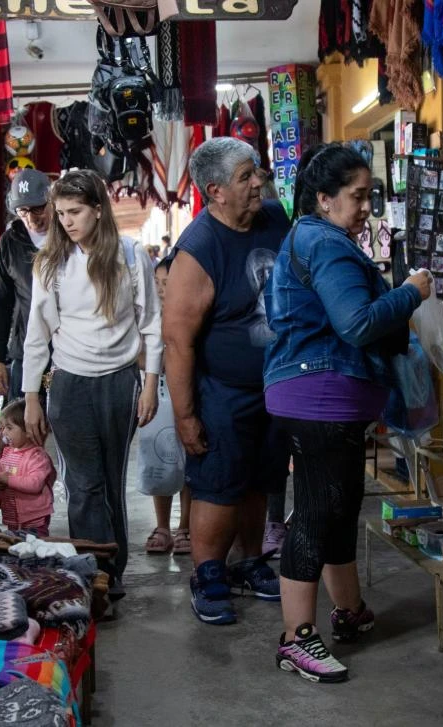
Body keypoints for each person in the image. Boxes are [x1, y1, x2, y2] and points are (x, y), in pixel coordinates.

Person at [264, 143, 430, 683]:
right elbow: (357, 324)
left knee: (338, 508)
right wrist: (410, 294)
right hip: (320, 397)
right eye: (357, 197)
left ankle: (349, 610)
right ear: (324, 198)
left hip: (325, 396)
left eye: (368, 197)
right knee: (317, 513)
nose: (365, 208)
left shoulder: (317, 239)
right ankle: (296, 638)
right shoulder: (324, 243)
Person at [162, 136, 291, 625]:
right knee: (218, 485)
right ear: (215, 191)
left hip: (274, 385)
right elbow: (178, 341)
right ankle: (208, 573)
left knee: (260, 479)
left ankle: (249, 562)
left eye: (256, 171)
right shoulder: (198, 249)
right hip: (222, 391)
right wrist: (185, 416)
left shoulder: (275, 218)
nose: (258, 182)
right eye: (245, 177)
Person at [22, 169, 162, 597]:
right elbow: (37, 334)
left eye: (76, 211)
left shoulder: (130, 254)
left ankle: (112, 572)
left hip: (120, 383)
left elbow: (151, 323)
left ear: (98, 210)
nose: (66, 221)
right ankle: (93, 574)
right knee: (83, 486)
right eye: (61, 212)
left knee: (110, 482)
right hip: (69, 385)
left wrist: (151, 384)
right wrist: (31, 396)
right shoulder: (50, 261)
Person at [0, 169, 53, 402]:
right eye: (23, 211)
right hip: (25, 352)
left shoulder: (68, 237)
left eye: (38, 208)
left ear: (51, 201)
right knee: (21, 419)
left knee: (60, 418)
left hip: (67, 355)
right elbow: (0, 302)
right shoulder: (10, 242)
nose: (31, 218)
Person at [143, 257, 192, 555]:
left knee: (188, 459)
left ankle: (185, 526)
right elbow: (138, 355)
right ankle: (162, 526)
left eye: (167, 283)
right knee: (158, 457)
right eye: (157, 283)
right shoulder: (148, 317)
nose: (161, 289)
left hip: (188, 394)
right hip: (158, 395)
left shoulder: (192, 313)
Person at [0, 398, 56, 536]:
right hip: (13, 517)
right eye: (2, 427)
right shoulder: (7, 453)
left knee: (35, 546)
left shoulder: (37, 456)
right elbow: (3, 481)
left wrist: (8, 480)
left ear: (28, 431)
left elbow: (35, 484)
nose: (4, 432)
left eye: (9, 428)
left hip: (34, 519)